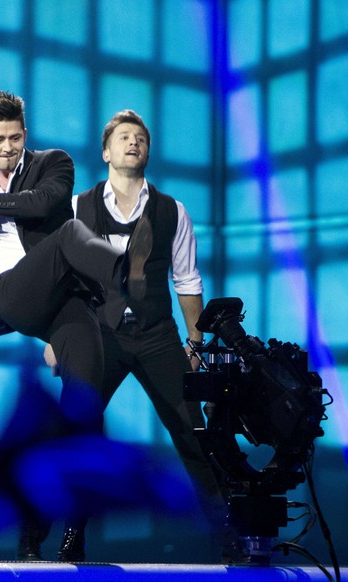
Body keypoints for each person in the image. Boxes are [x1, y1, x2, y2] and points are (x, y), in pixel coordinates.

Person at [0, 91, 129, 561]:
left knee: (83, 405)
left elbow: (44, 202)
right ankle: (119, 269)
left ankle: (56, 534)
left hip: (64, 299)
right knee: (69, 235)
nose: (8, 147)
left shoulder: (53, 164)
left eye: (15, 138)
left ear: (25, 134)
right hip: (14, 297)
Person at [44, 110, 232, 562]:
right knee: (75, 429)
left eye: (141, 138)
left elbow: (187, 280)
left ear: (147, 151)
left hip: (156, 335)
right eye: (124, 137)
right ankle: (69, 535)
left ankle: (228, 531)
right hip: (95, 334)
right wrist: (54, 338)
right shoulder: (77, 208)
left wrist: (196, 343)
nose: (133, 143)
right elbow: (59, 278)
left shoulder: (172, 211)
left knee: (194, 431)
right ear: (106, 152)